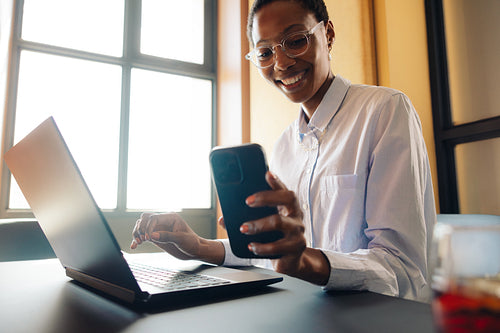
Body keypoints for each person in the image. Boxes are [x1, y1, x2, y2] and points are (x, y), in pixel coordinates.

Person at [131, 0, 436, 302]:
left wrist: (306, 262)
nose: (281, 63)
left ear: (327, 34)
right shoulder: (285, 146)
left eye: (295, 41)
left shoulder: (384, 111)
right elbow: (276, 256)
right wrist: (198, 246)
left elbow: (402, 269)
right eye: (265, 52)